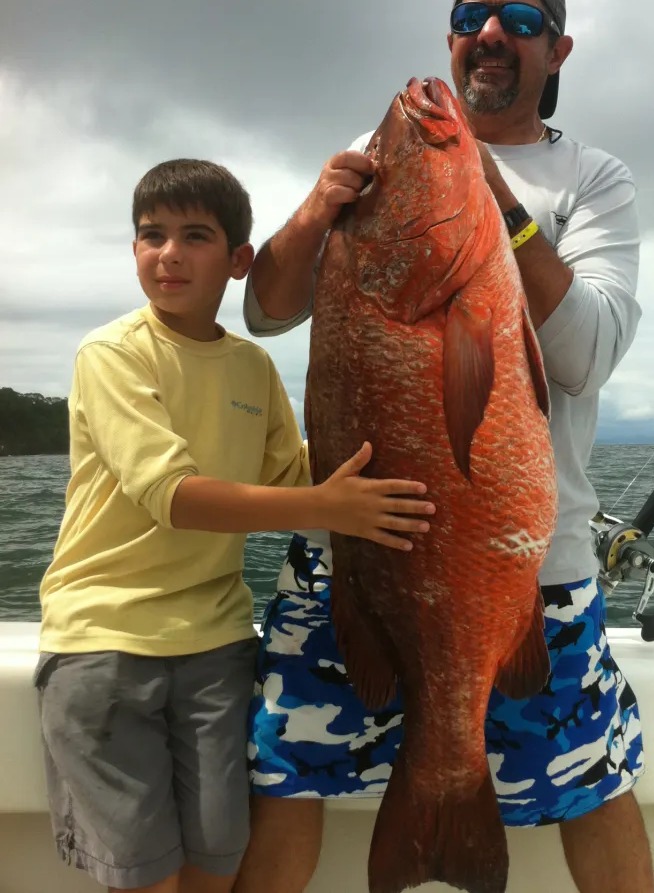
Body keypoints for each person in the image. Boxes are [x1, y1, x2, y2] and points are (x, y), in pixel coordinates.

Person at [237, 0, 654, 893]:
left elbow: (585, 355)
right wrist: (315, 209)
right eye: (470, 19)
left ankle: (449, 780)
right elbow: (265, 309)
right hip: (351, 548)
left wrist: (497, 210)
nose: (489, 37)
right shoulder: (384, 152)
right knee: (284, 783)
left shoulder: (594, 178)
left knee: (594, 787)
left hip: (525, 560)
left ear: (559, 47)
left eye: (519, 20)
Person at [35, 159, 434, 893]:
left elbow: (291, 476)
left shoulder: (252, 367)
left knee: (215, 867)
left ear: (239, 260)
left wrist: (411, 450)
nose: (169, 254)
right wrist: (327, 507)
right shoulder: (112, 354)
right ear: (133, 252)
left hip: (215, 647)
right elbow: (175, 494)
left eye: (195, 236)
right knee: (146, 880)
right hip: (102, 646)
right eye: (151, 236)